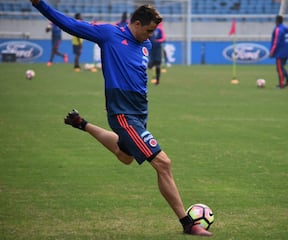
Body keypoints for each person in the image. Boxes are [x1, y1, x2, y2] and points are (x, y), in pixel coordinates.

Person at [30, 0, 212, 237]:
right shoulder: (109, 34)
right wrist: (40, 5)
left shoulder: (145, 43)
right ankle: (188, 224)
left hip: (140, 113)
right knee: (163, 164)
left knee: (124, 156)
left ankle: (82, 124)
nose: (151, 35)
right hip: (123, 114)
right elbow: (70, 25)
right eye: (148, 30)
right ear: (136, 23)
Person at [269, 15, 288, 89]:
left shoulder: (278, 29)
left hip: (280, 52)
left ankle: (281, 84)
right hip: (286, 50)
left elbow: (276, 41)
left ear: (277, 21)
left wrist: (272, 51)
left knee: (279, 68)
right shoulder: (285, 28)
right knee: (281, 67)